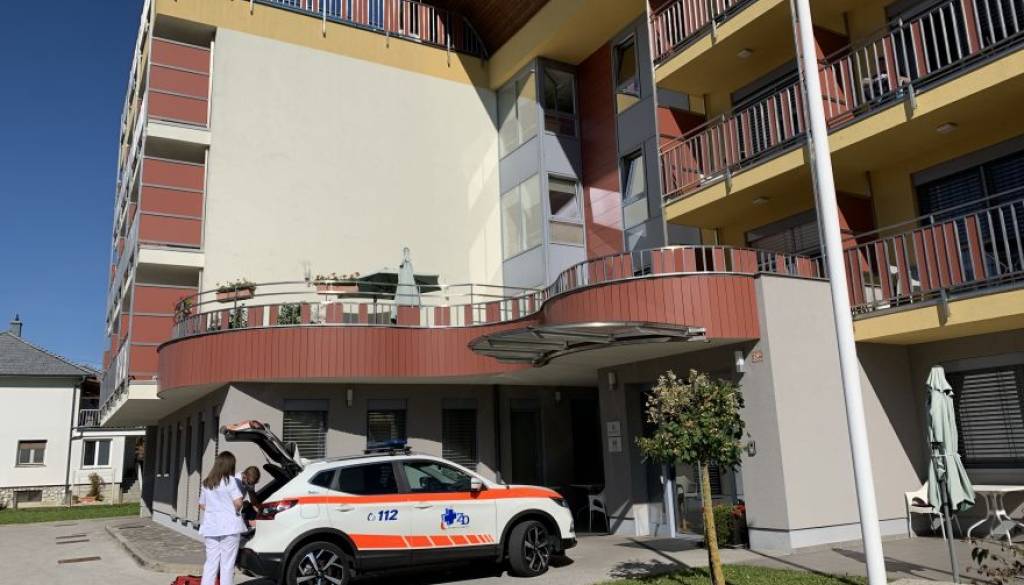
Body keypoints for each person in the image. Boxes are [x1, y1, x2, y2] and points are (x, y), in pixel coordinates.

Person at [198, 451, 247, 585]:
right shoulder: (230, 481)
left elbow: (202, 504)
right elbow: (238, 503)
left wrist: (215, 510)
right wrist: (232, 509)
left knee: (211, 563)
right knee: (227, 565)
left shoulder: (206, 483)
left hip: (211, 527)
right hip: (229, 527)